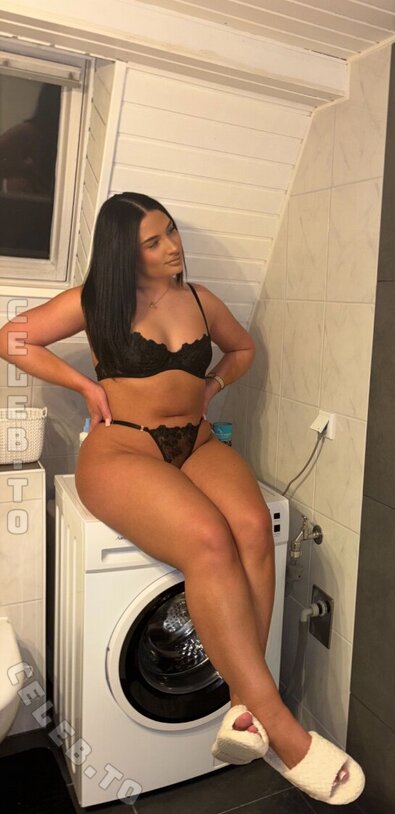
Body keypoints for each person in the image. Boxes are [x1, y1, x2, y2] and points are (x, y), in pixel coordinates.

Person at [0, 192, 364, 806]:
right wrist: (83, 385)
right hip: (123, 449)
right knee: (209, 540)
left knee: (256, 526)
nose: (173, 247)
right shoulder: (96, 301)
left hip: (194, 442)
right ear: (125, 252)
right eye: (154, 241)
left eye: (171, 232)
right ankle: (280, 727)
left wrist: (214, 384)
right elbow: (11, 338)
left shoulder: (200, 299)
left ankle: (243, 706)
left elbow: (243, 349)